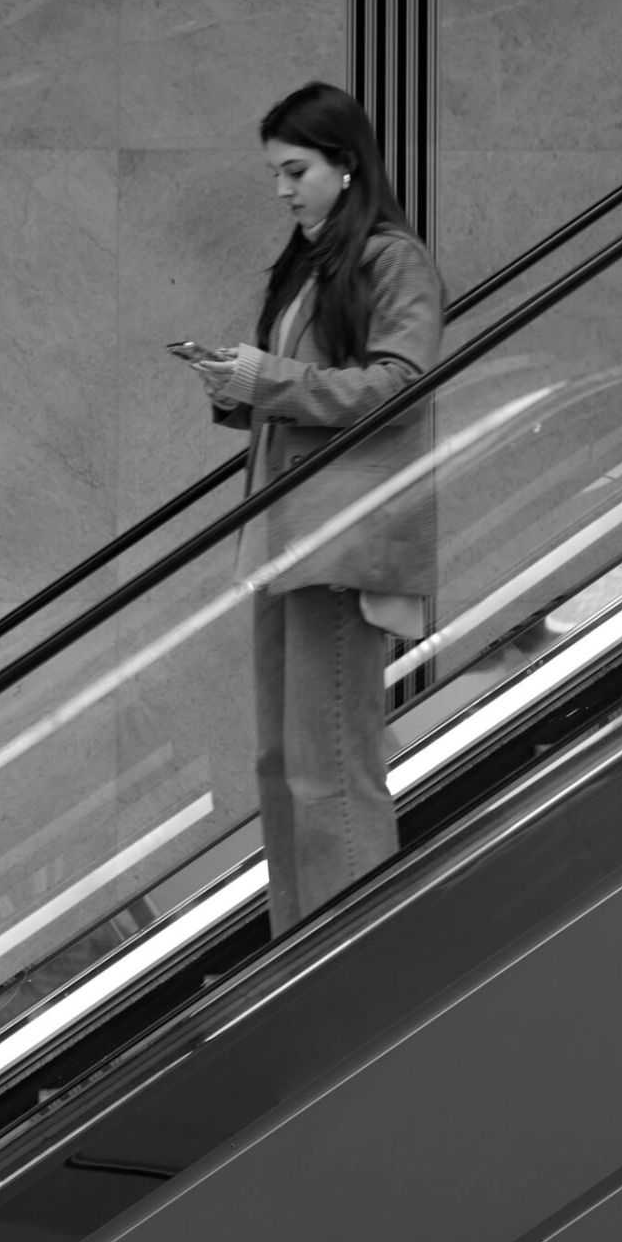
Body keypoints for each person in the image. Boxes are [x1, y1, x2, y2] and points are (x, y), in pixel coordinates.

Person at [185, 82, 445, 934]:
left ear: (346, 164)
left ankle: (345, 965)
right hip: (290, 537)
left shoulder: (390, 257)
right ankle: (300, 954)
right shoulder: (320, 265)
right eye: (274, 176)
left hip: (339, 543)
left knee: (330, 764)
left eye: (295, 170)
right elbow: (307, 390)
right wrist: (240, 385)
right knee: (284, 763)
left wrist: (268, 379)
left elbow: (405, 383)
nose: (284, 191)